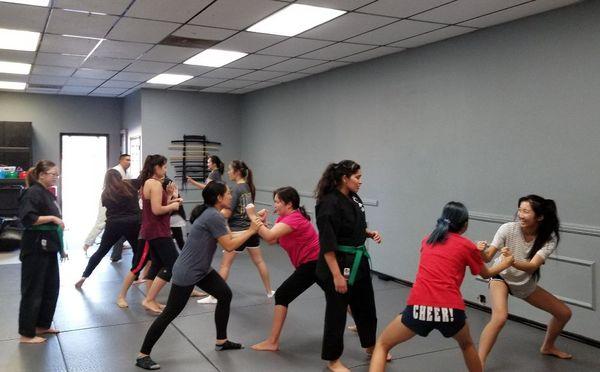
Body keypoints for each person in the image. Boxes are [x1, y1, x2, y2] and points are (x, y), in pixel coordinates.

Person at [368, 202, 514, 372]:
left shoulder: (427, 240)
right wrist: (506, 263)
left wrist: (475, 250)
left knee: (382, 345)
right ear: (465, 225)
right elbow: (485, 273)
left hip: (419, 307)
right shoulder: (467, 245)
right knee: (467, 345)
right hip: (450, 310)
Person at [135, 182, 262, 370]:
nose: (230, 197)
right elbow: (229, 245)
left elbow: (231, 237)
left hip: (200, 269)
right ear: (219, 198)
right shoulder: (213, 216)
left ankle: (221, 340)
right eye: (228, 193)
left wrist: (255, 227)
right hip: (187, 271)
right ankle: (142, 355)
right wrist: (252, 229)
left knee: (225, 295)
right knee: (170, 312)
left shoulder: (213, 215)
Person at [478, 195, 572, 368]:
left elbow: (531, 267)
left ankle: (548, 346)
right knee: (499, 318)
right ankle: (478, 363)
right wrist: (480, 251)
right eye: (520, 210)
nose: (520, 214)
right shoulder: (507, 229)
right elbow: (488, 257)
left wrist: (512, 261)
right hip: (501, 277)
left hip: (523, 282)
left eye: (526, 211)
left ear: (540, 217)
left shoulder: (548, 239)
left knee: (564, 313)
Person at [314, 160, 383, 372]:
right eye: (358, 177)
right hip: (338, 263)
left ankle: (371, 347)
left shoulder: (352, 197)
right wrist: (336, 275)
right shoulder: (328, 203)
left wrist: (366, 233)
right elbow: (327, 242)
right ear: (345, 178)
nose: (361, 181)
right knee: (337, 312)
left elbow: (351, 225)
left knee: (366, 307)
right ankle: (333, 360)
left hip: (358, 261)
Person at [246, 186, 322, 351]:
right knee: (338, 296)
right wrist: (263, 223)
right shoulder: (283, 219)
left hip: (314, 263)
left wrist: (252, 216)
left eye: (277, 202)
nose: (274, 205)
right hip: (312, 263)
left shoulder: (294, 218)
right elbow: (272, 240)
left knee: (282, 295)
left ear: (289, 204)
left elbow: (270, 236)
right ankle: (361, 326)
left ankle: (272, 341)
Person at [198, 160, 273, 304]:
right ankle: (269, 291)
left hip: (238, 232)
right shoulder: (247, 187)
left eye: (230, 170)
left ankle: (213, 296)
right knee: (259, 261)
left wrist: (213, 213)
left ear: (237, 171)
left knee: (225, 265)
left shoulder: (237, 189)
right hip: (251, 230)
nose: (228, 172)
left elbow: (228, 212)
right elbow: (246, 209)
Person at [17, 160, 67, 343]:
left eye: (57, 174)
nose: (56, 177)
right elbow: (28, 218)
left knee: (50, 287)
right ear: (42, 174)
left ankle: (42, 325)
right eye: (53, 174)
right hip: (36, 247)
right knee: (33, 290)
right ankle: (26, 333)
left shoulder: (45, 193)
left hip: (49, 247)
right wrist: (53, 218)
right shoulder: (32, 193)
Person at [74, 169, 140, 289]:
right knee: (137, 250)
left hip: (113, 225)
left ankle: (84, 276)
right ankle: (135, 277)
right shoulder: (130, 184)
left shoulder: (106, 193)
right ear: (120, 176)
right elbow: (143, 179)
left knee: (101, 251)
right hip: (132, 223)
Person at [138, 155, 183, 314]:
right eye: (164, 167)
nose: (165, 170)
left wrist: (170, 197)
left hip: (153, 229)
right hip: (158, 230)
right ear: (156, 167)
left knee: (157, 264)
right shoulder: (155, 184)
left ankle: (152, 300)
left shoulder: (148, 183)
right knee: (173, 265)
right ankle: (149, 299)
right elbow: (158, 210)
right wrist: (175, 205)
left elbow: (155, 207)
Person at [82, 154, 132, 262]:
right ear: (121, 161)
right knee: (101, 222)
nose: (129, 162)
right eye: (127, 160)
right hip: (109, 198)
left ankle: (116, 252)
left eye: (130, 160)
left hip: (118, 202)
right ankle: (87, 243)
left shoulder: (127, 173)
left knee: (121, 226)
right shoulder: (115, 171)